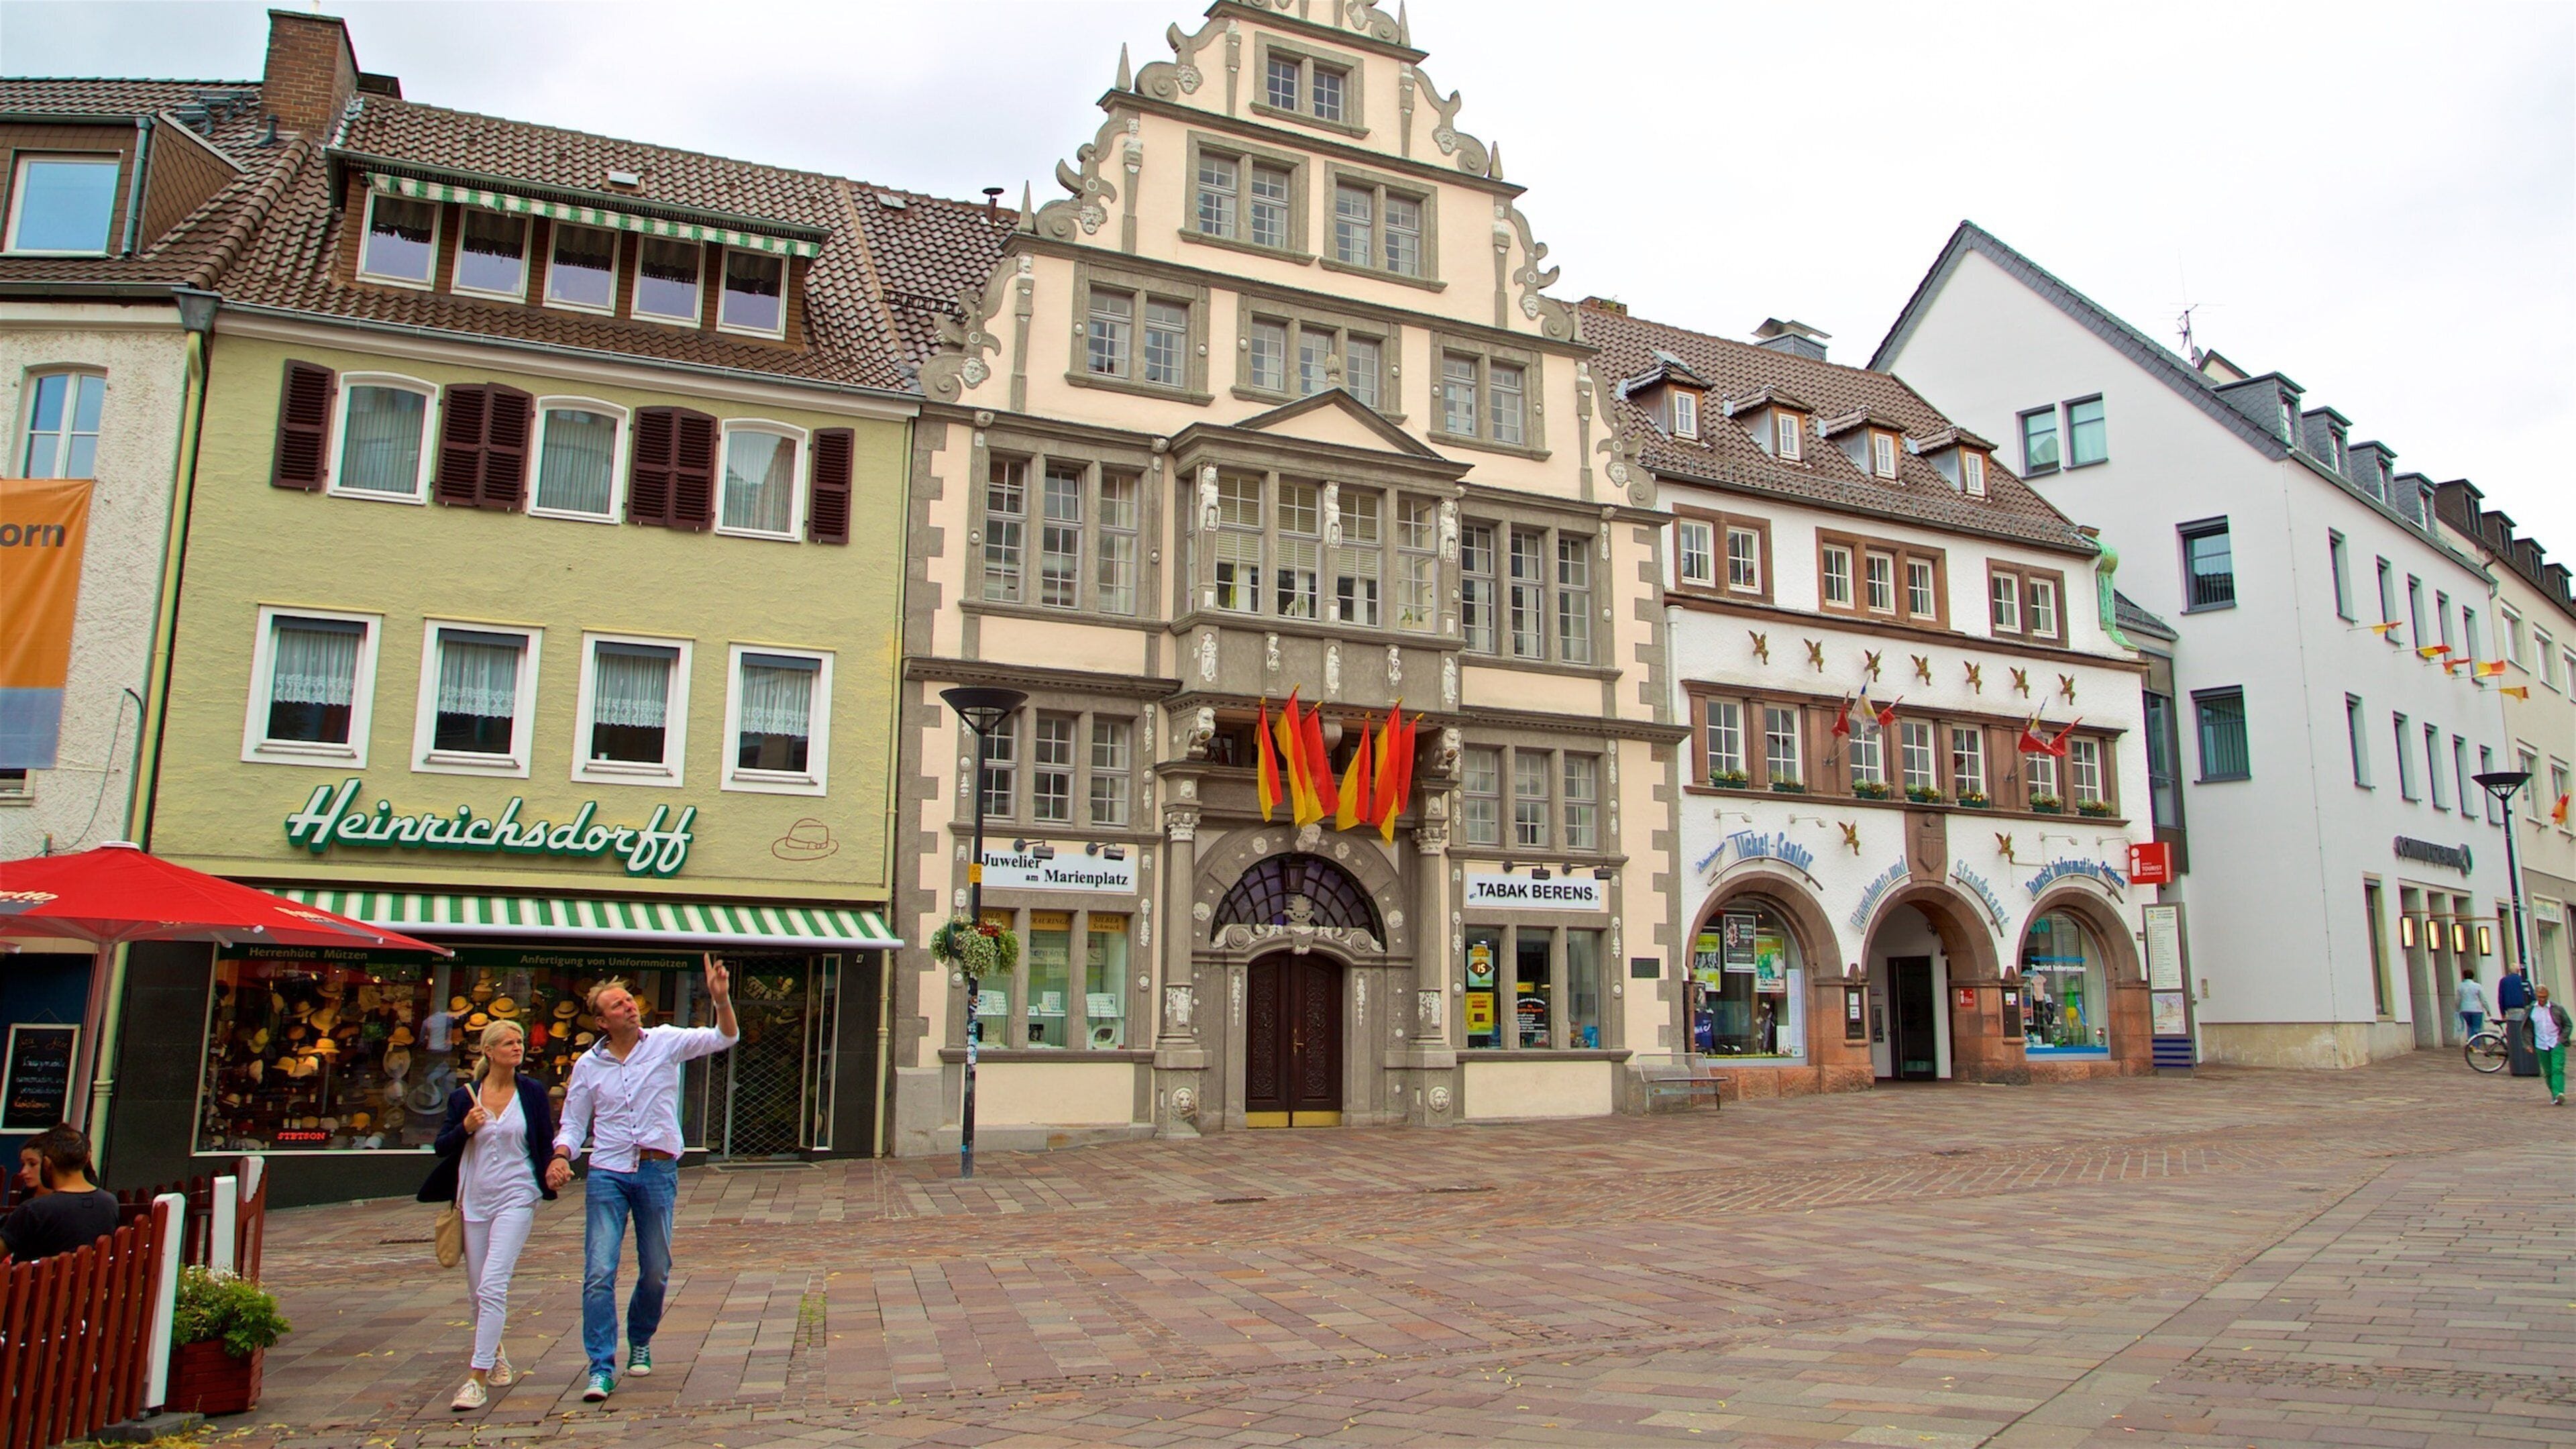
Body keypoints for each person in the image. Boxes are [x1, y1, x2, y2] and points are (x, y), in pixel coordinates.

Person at [548, 957, 736, 1401]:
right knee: (599, 1270)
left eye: (630, 1000)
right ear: (601, 1020)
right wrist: (560, 1156)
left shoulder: (666, 1042)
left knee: (655, 1269)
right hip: (608, 1172)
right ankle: (600, 1366)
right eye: (617, 1005)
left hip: (656, 1169)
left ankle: (641, 1339)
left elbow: (725, 1036)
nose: (629, 1007)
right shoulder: (588, 1067)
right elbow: (574, 1124)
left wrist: (721, 999)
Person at [418, 1019, 556, 1411]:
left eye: (520, 1042)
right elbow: (442, 1147)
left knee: (494, 1283)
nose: (518, 1048)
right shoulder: (466, 1097)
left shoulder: (530, 1092)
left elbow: (543, 1141)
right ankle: (495, 1353)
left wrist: (554, 1170)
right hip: (474, 1200)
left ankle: (475, 1378)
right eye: (509, 1043)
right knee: (478, 1291)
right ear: (489, 1052)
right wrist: (465, 1127)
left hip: (517, 1195)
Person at [0, 1125, 119, 1262]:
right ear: (87, 1158)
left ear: (47, 1162)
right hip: (89, 1282)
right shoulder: (109, 1202)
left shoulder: (34, 1209)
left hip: (32, 1282)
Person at [2527, 984, 2570, 1106]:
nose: (2542, 999)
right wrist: (2528, 1044)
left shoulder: (2557, 1008)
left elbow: (2568, 1024)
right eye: (2540, 997)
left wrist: (2562, 1039)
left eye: (2545, 997)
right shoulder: (2531, 1010)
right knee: (2548, 1072)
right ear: (2536, 996)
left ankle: (2559, 1093)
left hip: (2556, 1042)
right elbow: (2527, 1028)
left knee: (2557, 1069)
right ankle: (2555, 1094)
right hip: (2541, 1044)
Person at [2456, 966, 2487, 1044]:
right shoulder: (2477, 986)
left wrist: (2457, 1009)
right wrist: (2488, 1009)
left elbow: (2458, 999)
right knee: (2476, 1028)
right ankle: (2475, 1045)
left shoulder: (2461, 986)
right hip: (2476, 1009)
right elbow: (2483, 999)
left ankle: (2470, 1044)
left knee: (2470, 1027)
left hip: (2465, 1009)